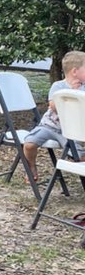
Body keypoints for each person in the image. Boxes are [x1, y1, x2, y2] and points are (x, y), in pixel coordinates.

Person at [22, 50, 85, 181]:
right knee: (29, 144)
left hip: (70, 132)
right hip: (49, 126)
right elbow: (53, 105)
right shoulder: (58, 86)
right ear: (75, 71)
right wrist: (73, 93)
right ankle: (31, 167)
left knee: (79, 157)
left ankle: (72, 157)